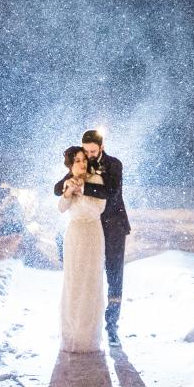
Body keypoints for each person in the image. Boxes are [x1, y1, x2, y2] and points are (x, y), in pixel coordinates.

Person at [53, 128, 131, 345]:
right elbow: (58, 187)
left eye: (93, 151)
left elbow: (111, 193)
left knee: (114, 275)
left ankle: (112, 325)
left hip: (113, 226)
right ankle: (85, 325)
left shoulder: (114, 164)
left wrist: (83, 187)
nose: (88, 155)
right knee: (86, 277)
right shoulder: (82, 163)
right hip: (89, 227)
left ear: (102, 147)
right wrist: (69, 185)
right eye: (86, 151)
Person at [57, 145, 105, 352]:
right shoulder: (67, 182)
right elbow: (61, 208)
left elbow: (97, 208)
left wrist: (82, 191)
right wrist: (69, 191)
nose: (82, 163)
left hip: (92, 232)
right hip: (74, 233)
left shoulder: (96, 180)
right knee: (73, 282)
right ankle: (70, 335)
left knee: (90, 282)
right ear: (70, 164)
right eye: (77, 160)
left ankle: (88, 338)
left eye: (84, 159)